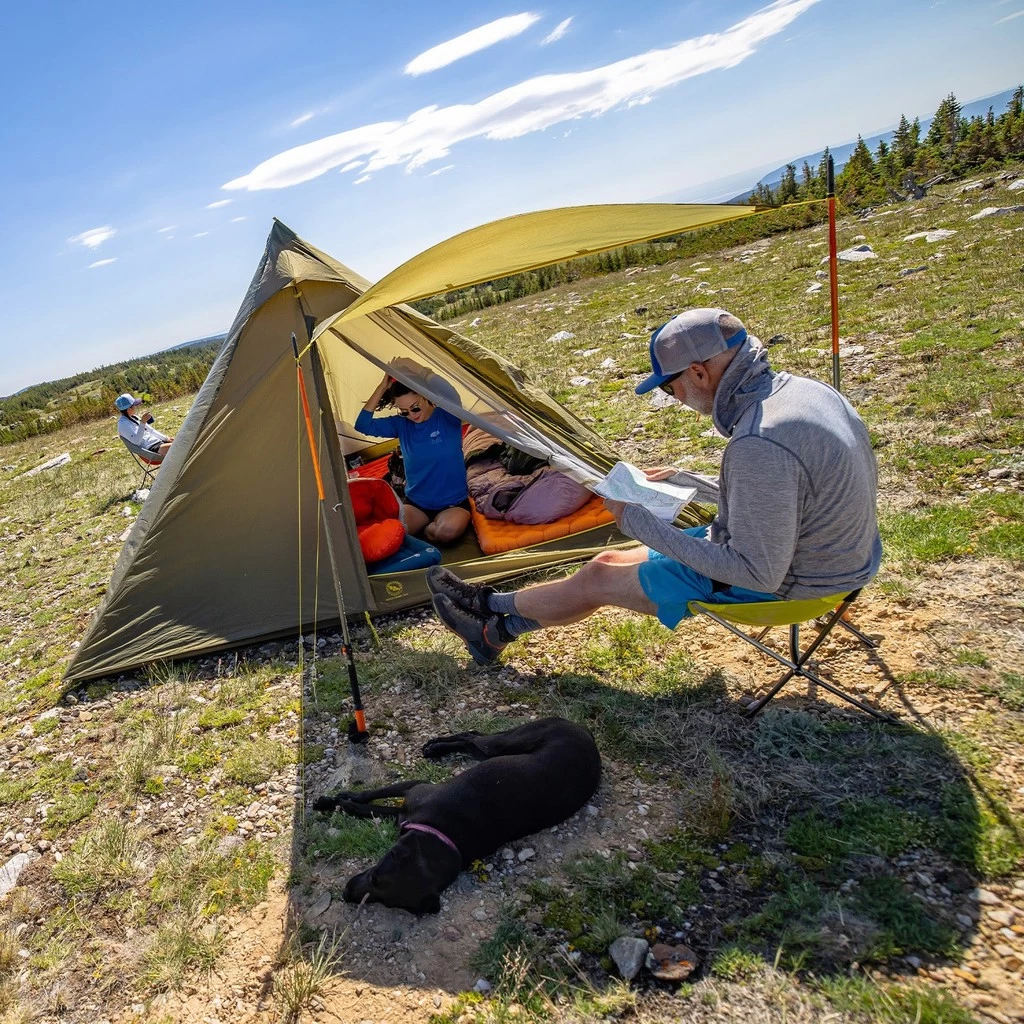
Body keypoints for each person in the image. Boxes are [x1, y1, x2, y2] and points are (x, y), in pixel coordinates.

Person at [427, 307, 882, 666]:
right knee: (605, 562)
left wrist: (639, 524)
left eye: (670, 388)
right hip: (838, 556)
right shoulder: (805, 393)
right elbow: (790, 492)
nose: (675, 399)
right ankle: (492, 622)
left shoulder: (758, 442)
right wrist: (690, 482)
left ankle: (488, 613)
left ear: (699, 373)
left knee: (601, 578)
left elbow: (756, 573)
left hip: (796, 585)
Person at [355, 363, 471, 545]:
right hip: (417, 502)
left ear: (425, 396)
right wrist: (382, 387)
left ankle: (429, 529)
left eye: (415, 407)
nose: (411, 415)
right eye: (404, 412)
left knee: (446, 531)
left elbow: (450, 392)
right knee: (393, 534)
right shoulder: (401, 424)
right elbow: (362, 425)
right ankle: (425, 526)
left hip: (454, 502)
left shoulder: (447, 416)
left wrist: (417, 369)